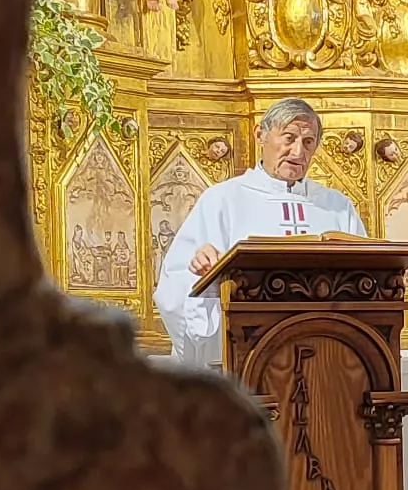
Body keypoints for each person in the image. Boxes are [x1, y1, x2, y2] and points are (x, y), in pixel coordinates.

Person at [154, 98, 367, 366]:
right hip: (248, 360)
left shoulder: (337, 206)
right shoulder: (222, 200)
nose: (299, 152)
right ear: (260, 135)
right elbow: (175, 287)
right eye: (288, 138)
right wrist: (207, 274)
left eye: (308, 142)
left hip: (325, 361)